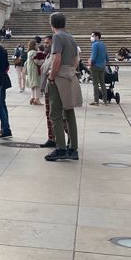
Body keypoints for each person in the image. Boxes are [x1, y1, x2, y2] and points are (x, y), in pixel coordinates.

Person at [45, 12, 82, 162]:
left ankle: (60, 148)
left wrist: (52, 76)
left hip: (59, 76)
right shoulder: (70, 37)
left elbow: (57, 58)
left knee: (55, 113)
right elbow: (76, 59)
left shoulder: (57, 37)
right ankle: (73, 148)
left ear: (52, 24)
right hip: (70, 75)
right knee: (69, 112)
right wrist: (70, 71)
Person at [37, 36, 57, 148]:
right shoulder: (48, 55)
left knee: (55, 115)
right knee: (49, 115)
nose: (45, 44)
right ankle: (51, 138)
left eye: (48, 43)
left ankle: (68, 138)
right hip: (47, 89)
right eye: (45, 42)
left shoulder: (55, 56)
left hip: (53, 89)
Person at [88, 31, 109, 105]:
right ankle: (105, 100)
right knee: (102, 83)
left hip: (95, 66)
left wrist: (90, 62)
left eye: (92, 36)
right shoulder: (103, 44)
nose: (91, 37)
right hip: (102, 66)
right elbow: (107, 56)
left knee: (95, 84)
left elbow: (93, 56)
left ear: (97, 37)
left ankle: (96, 100)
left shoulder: (95, 45)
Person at [25, 38, 42, 106]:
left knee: (32, 84)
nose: (37, 45)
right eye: (36, 44)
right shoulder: (34, 52)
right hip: (34, 69)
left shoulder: (29, 52)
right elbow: (37, 61)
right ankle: (37, 99)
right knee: (37, 84)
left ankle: (32, 97)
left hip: (30, 69)